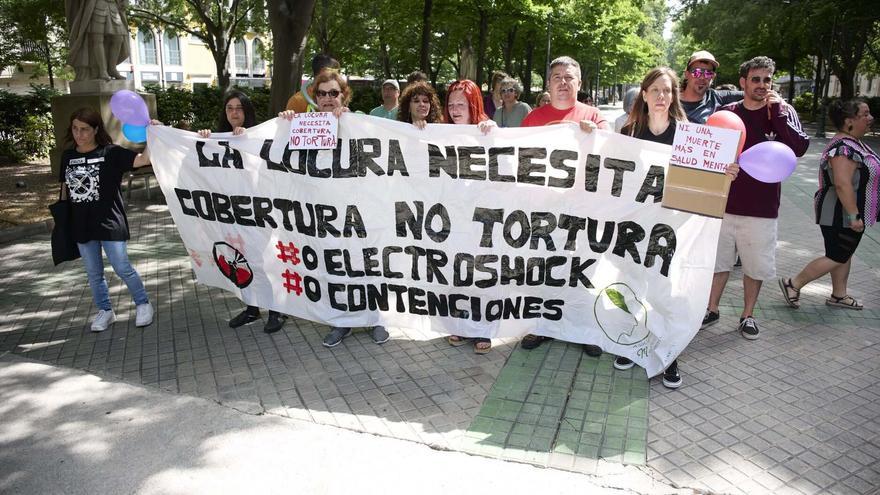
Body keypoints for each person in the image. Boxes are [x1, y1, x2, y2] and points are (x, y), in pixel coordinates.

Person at [616, 68, 740, 388]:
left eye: (667, 91)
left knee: (668, 292)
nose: (660, 96)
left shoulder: (690, 135)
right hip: (636, 226)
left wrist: (723, 172)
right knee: (635, 285)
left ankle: (670, 354)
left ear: (674, 96)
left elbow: (705, 180)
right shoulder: (627, 133)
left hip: (674, 227)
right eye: (654, 90)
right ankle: (633, 345)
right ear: (643, 94)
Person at [279, 70, 389, 348]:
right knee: (335, 267)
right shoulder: (301, 126)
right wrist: (285, 126)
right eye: (322, 93)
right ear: (314, 97)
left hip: (359, 211)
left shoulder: (359, 122)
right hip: (324, 214)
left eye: (333, 93)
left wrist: (353, 123)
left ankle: (375, 319)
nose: (327, 98)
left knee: (367, 265)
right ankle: (341, 322)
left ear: (344, 95)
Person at [703, 56, 809, 339]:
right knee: (718, 262)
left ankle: (747, 315)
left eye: (767, 80)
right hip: (724, 204)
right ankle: (711, 309)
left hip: (762, 208)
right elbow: (707, 155)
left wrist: (780, 114)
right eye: (756, 79)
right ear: (743, 82)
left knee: (755, 265)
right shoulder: (727, 112)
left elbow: (799, 148)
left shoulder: (783, 112)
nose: (762, 85)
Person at [519, 55, 609, 356]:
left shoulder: (594, 116)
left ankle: (585, 331)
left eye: (568, 77)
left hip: (582, 212)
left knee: (582, 273)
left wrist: (596, 137)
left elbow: (614, 151)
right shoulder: (532, 119)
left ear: (579, 83)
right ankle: (541, 327)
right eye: (556, 76)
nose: (562, 81)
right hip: (543, 211)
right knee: (543, 271)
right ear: (548, 82)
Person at [198, 91, 287, 334]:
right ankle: (252, 307)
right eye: (229, 108)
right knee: (241, 259)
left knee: (264, 261)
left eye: (239, 108)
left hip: (258, 213)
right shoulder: (217, 139)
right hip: (232, 214)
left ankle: (277, 310)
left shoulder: (258, 137)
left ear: (247, 111)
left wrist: (246, 140)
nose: (234, 113)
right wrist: (206, 138)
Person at [60, 107, 154, 332]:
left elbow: (143, 159)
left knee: (122, 267)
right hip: (81, 224)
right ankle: (105, 311)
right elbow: (65, 190)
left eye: (84, 129)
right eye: (75, 129)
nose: (79, 134)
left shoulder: (110, 153)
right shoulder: (68, 156)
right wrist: (62, 219)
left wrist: (152, 133)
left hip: (109, 221)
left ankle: (143, 304)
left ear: (95, 130)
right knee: (94, 273)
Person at [780, 99, 878, 310]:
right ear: (849, 121)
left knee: (844, 253)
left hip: (845, 213)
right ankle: (793, 283)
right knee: (837, 255)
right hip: (840, 213)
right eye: (865, 114)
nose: (871, 118)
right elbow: (842, 184)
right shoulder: (843, 148)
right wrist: (854, 215)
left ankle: (839, 295)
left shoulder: (852, 142)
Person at [441, 79, 496, 354]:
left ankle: (483, 327)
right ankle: (459, 324)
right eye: (451, 104)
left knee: (480, 271)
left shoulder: (488, 130)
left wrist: (492, 133)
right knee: (455, 271)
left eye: (461, 104)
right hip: (452, 216)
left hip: (481, 217)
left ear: (473, 103)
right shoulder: (440, 132)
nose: (455, 109)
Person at [65, 0, 129, 81]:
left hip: (113, 5)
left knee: (118, 38)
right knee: (97, 38)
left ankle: (112, 69)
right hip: (97, 4)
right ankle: (103, 70)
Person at [679, 50, 743, 124]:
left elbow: (750, 94)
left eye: (708, 73)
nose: (702, 77)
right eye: (697, 72)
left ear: (713, 77)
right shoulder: (671, 100)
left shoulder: (717, 97)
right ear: (687, 74)